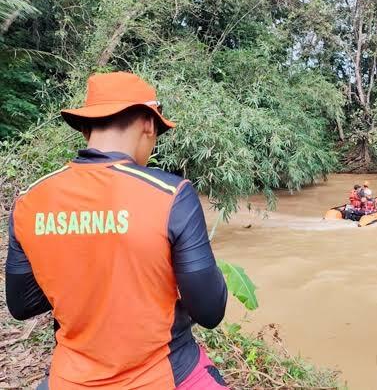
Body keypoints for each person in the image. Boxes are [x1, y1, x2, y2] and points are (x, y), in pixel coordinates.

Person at [5, 72, 229, 390]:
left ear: (86, 129)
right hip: (164, 376)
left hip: (69, 379)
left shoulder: (30, 200)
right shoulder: (171, 194)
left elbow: (22, 304)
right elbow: (209, 310)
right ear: (149, 124)